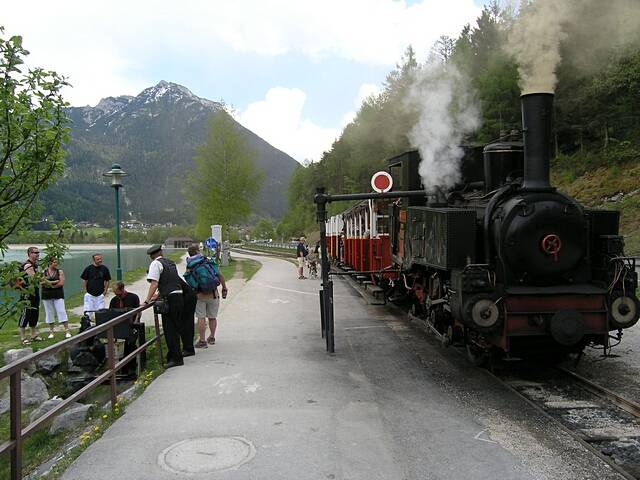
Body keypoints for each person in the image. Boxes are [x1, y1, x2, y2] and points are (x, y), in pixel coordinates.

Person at [143, 244, 185, 368]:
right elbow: (171, 281)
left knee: (169, 329)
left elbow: (154, 283)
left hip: (170, 299)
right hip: (179, 296)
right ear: (161, 252)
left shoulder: (155, 264)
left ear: (151, 256)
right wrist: (159, 294)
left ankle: (175, 359)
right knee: (176, 328)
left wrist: (147, 300)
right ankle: (175, 355)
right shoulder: (170, 262)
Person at [185, 245, 227, 349]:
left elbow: (189, 280)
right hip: (213, 293)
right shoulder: (207, 261)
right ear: (198, 251)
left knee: (201, 317)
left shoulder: (190, 265)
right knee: (212, 317)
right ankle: (212, 337)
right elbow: (219, 274)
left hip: (200, 295)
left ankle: (202, 341)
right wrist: (224, 288)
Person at [41, 257, 71, 339]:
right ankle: (51, 331)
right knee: (49, 312)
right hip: (46, 295)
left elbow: (61, 283)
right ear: (50, 263)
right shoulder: (43, 272)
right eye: (54, 262)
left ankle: (67, 330)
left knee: (61, 311)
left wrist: (50, 285)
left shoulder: (60, 271)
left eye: (56, 262)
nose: (56, 264)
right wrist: (54, 282)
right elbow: (42, 283)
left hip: (58, 294)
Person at [18, 246, 43, 345]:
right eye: (35, 252)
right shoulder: (27, 265)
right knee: (26, 313)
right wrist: (43, 280)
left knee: (34, 313)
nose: (37, 254)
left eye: (38, 252)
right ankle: (23, 337)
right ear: (29, 254)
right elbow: (35, 279)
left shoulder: (36, 265)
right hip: (27, 293)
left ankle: (33, 335)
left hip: (34, 292)